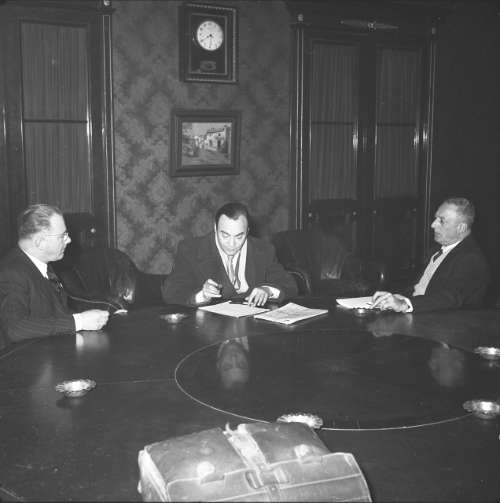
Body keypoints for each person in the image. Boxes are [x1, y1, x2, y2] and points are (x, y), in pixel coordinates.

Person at [0, 204, 109, 346]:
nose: (68, 240)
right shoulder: (11, 272)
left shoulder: (40, 263)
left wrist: (96, 316)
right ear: (40, 242)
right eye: (62, 236)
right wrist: (79, 321)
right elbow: (15, 328)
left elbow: (55, 314)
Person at [162, 202, 298, 306]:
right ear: (215, 228)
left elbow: (290, 286)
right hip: (210, 327)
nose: (232, 244)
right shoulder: (191, 249)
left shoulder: (263, 250)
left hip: (252, 325)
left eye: (239, 236)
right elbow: (171, 291)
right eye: (225, 235)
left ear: (247, 231)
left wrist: (267, 290)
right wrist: (202, 295)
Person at [371, 197, 489, 313]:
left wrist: (404, 304)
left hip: (441, 321)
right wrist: (397, 297)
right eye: (435, 219)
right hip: (419, 312)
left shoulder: (472, 258)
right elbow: (419, 288)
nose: (433, 225)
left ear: (461, 228)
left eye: (441, 220)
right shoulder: (437, 249)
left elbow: (450, 298)